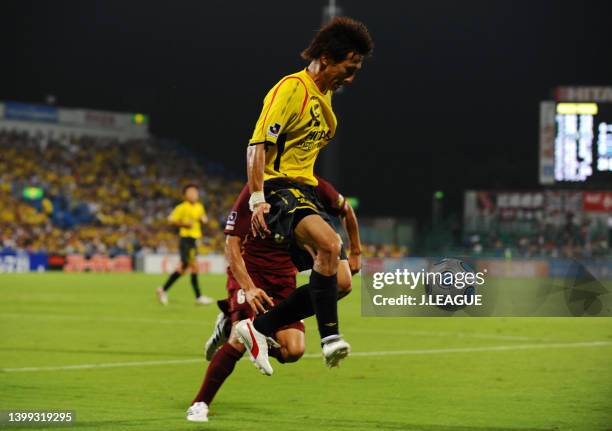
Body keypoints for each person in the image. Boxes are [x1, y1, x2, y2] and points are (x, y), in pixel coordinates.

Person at [238, 16, 373, 373]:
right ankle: (330, 338)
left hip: (304, 191)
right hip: (278, 188)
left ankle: (258, 328)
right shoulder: (291, 89)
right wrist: (257, 199)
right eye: (350, 66)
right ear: (327, 57)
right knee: (328, 245)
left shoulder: (325, 98)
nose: (352, 76)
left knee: (340, 282)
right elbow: (257, 145)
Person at [187, 177, 361, 422]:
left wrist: (355, 251)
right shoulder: (257, 190)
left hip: (284, 282)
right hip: (251, 275)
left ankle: (232, 323)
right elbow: (232, 243)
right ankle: (200, 403)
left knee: (293, 350)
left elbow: (346, 210)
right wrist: (247, 288)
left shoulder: (313, 186)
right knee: (238, 340)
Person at [156, 184, 213, 305]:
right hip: (186, 239)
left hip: (194, 240)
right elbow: (170, 219)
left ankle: (163, 289)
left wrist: (203, 219)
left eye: (195, 192)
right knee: (194, 266)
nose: (193, 194)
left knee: (183, 268)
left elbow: (204, 218)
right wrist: (184, 224)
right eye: (191, 192)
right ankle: (198, 297)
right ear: (185, 195)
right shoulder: (182, 207)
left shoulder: (199, 206)